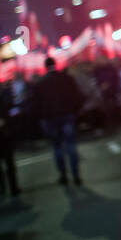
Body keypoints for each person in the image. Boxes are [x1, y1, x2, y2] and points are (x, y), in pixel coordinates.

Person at [32, 57, 83, 186]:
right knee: (71, 146)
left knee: (57, 147)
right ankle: (76, 175)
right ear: (55, 64)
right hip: (67, 115)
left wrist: (42, 118)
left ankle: (63, 175)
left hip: (51, 119)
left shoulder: (40, 83)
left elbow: (36, 104)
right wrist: (74, 111)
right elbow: (77, 96)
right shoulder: (66, 79)